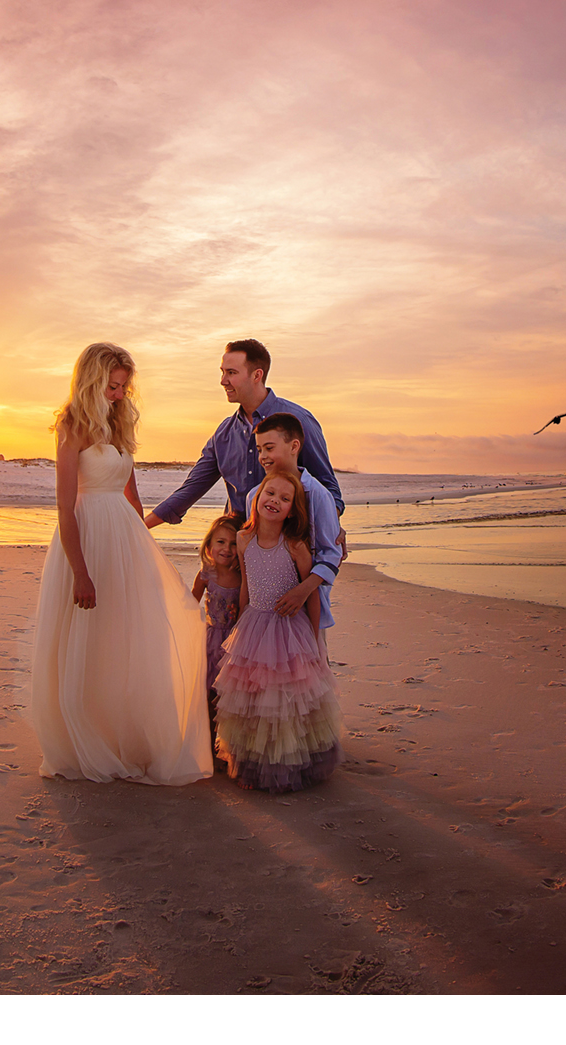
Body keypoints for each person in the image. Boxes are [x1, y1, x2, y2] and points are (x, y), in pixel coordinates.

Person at [31, 343, 213, 785]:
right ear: (93, 380)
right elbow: (65, 508)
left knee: (128, 635)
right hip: (88, 539)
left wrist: (145, 553)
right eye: (111, 386)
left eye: (123, 386)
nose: (117, 394)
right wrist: (80, 571)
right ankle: (86, 739)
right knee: (88, 641)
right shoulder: (72, 426)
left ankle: (124, 734)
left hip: (123, 540)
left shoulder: (118, 422)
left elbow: (132, 498)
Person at [212, 472, 344, 792]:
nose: (275, 501)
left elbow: (310, 595)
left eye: (285, 499)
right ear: (257, 498)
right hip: (254, 625)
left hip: (289, 631)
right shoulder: (244, 540)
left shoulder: (295, 546)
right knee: (254, 697)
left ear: (292, 510)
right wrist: (240, 624)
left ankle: (289, 764)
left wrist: (313, 641)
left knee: (287, 699)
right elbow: (246, 585)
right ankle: (253, 762)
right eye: (270, 493)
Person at [145, 338, 344, 533]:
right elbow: (190, 490)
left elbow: (329, 491)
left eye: (231, 373)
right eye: (222, 372)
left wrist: (331, 534)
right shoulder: (223, 434)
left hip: (288, 552)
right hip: (235, 550)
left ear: (257, 375)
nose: (223, 381)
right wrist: (141, 527)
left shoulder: (299, 421)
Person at [235, 411, 343, 638]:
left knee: (308, 666)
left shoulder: (317, 495)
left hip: (304, 608)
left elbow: (331, 554)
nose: (263, 456)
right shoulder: (255, 496)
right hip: (261, 611)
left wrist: (302, 592)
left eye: (270, 448)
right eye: (260, 449)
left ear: (294, 447)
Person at [192, 513, 243, 726]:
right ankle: (208, 738)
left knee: (228, 694)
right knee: (207, 691)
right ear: (209, 545)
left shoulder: (243, 576)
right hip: (210, 641)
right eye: (220, 542)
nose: (227, 549)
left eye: (233, 544)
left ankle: (225, 740)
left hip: (234, 642)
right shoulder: (206, 574)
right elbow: (189, 603)